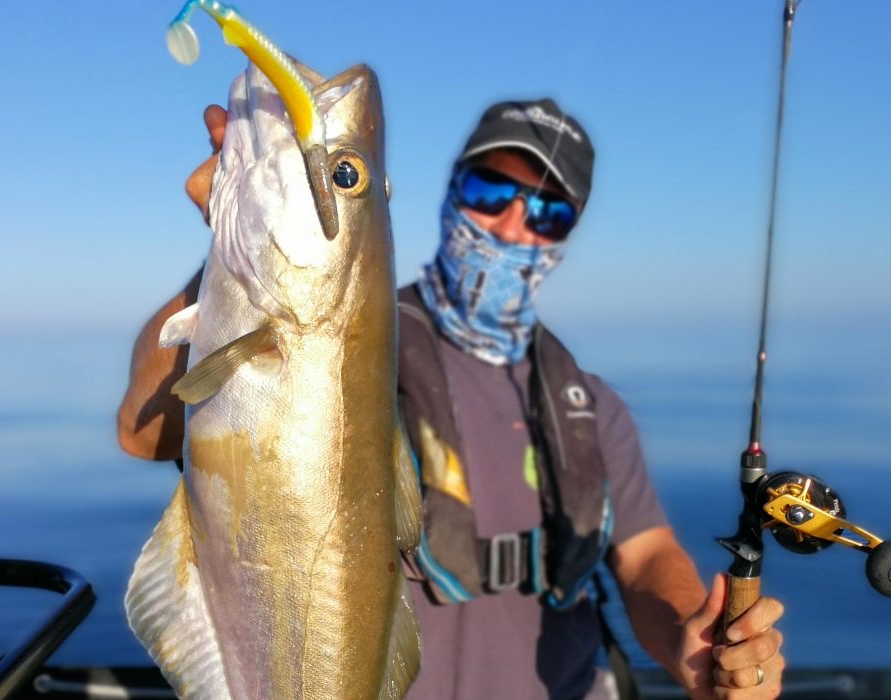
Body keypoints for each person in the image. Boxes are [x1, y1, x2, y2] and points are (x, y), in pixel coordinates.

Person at [118, 98, 785, 699]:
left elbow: (646, 556)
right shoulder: (354, 342)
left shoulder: (589, 402)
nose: (514, 222)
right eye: (491, 187)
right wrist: (235, 243)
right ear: (451, 191)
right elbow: (145, 433)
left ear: (566, 236)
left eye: (549, 210)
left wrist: (685, 641)